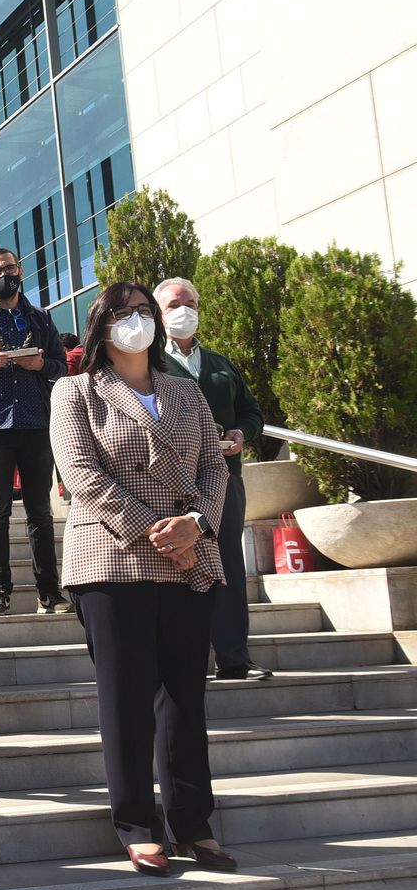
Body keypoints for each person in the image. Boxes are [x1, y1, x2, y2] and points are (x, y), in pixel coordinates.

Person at [51, 281, 236, 877]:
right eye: (124, 314)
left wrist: (196, 525)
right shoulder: (75, 390)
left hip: (189, 553)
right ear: (102, 327)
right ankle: (137, 824)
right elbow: (82, 473)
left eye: (145, 312)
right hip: (114, 556)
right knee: (127, 695)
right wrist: (159, 530)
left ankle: (193, 821)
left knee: (185, 694)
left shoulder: (185, 391)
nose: (138, 322)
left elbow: (214, 463)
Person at [154, 277, 272, 682]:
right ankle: (186, 660)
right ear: (158, 314)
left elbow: (251, 412)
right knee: (176, 566)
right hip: (172, 484)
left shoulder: (221, 364)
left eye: (189, 302)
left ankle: (234, 658)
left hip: (224, 479)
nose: (182, 310)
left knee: (228, 567)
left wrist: (243, 433)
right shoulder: (151, 365)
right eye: (172, 305)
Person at [0, 247, 69, 617]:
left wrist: (41, 364)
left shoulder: (39, 317)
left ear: (19, 270)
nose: (4, 274)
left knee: (40, 511)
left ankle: (49, 593)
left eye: (9, 267)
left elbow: (60, 367)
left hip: (36, 422)